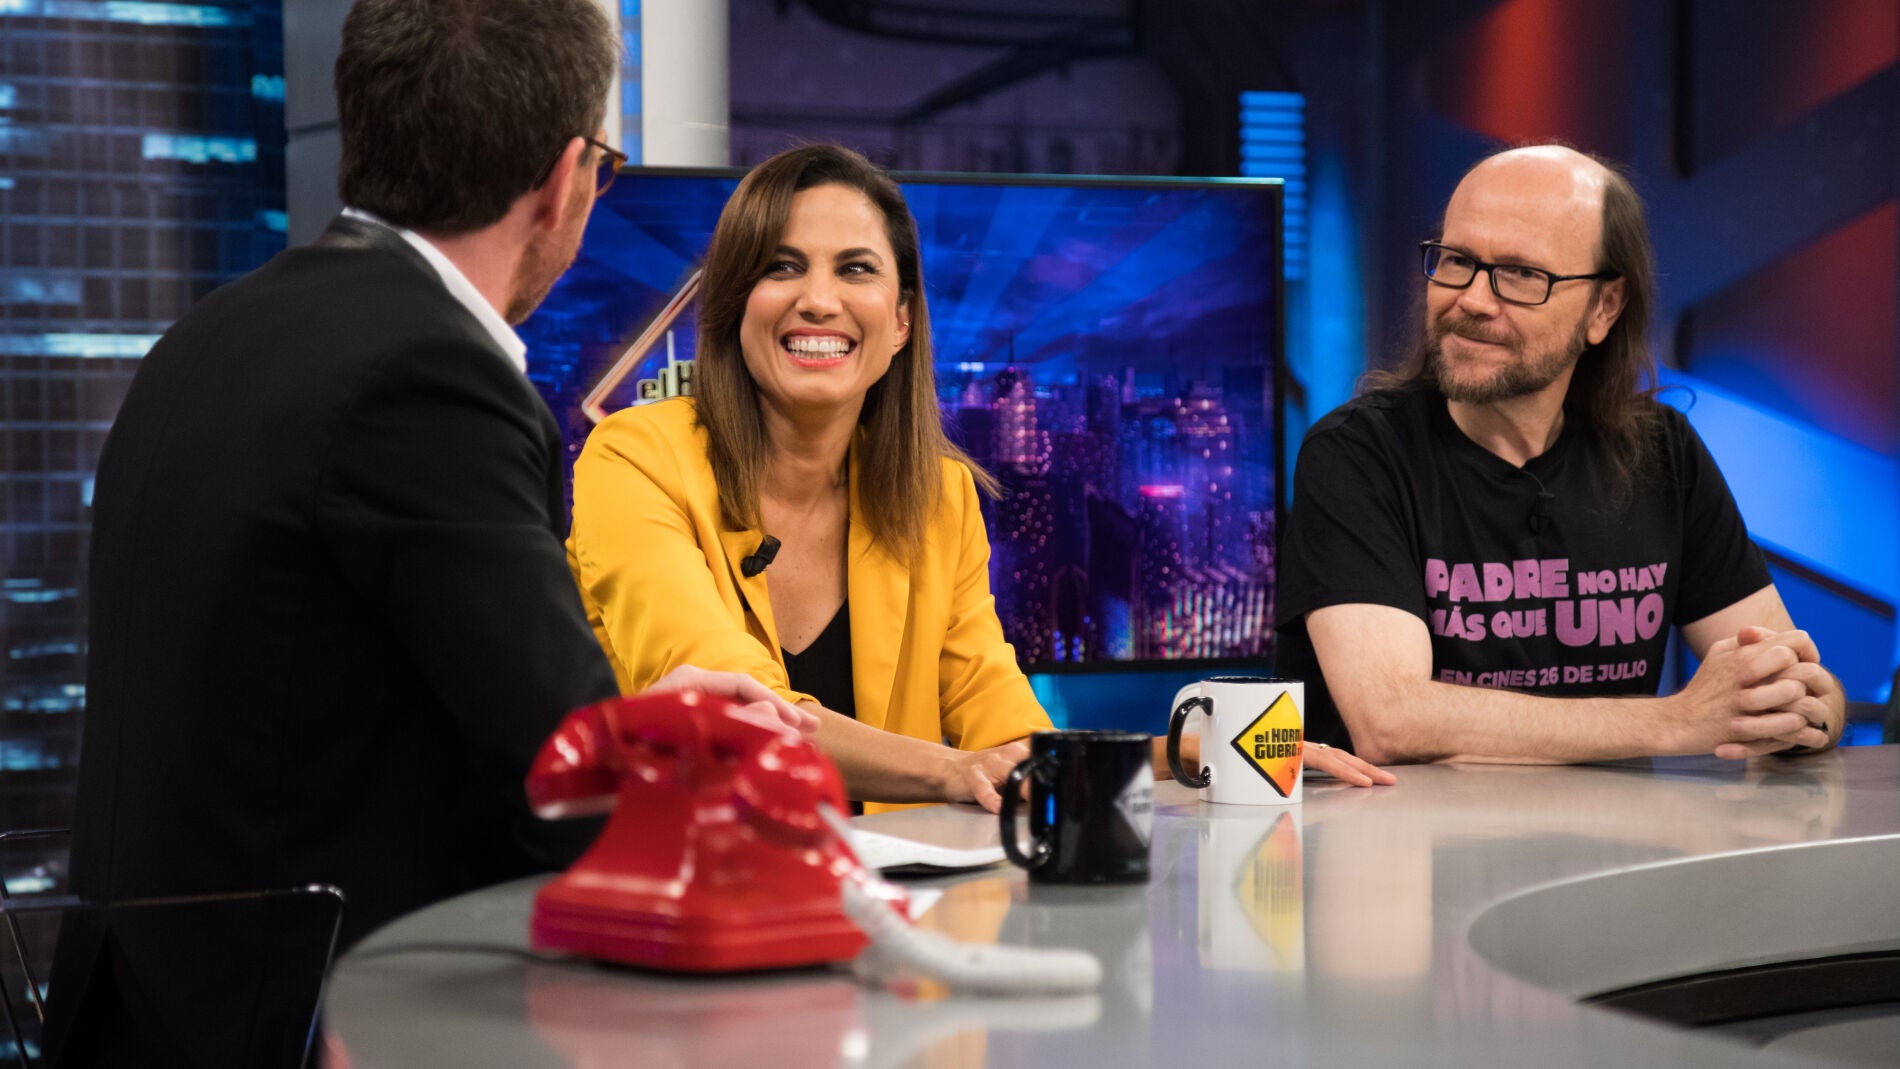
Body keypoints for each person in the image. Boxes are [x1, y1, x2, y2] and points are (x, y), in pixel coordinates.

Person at [51, 2, 809, 1064]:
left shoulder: (214, 332)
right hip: (313, 1021)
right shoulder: (431, 373)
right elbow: (566, 797)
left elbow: (349, 691)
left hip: (147, 1015)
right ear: (565, 178)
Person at [568, 144, 1390, 813]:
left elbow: (1003, 737)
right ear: (734, 306)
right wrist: (947, 772)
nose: (817, 299)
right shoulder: (634, 459)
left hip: (905, 926)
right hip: (699, 908)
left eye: (855, 269)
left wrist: (1186, 751)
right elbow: (736, 714)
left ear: (899, 323)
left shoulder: (936, 496)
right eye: (782, 267)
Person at [1275, 144, 1844, 765]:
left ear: (1604, 308)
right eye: (1458, 260)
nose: (1471, 299)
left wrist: (1810, 708)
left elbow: (1795, 680)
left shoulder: (1662, 453)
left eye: (1521, 275)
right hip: (1409, 855)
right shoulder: (1358, 454)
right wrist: (1677, 721)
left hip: (1615, 855)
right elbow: (1392, 719)